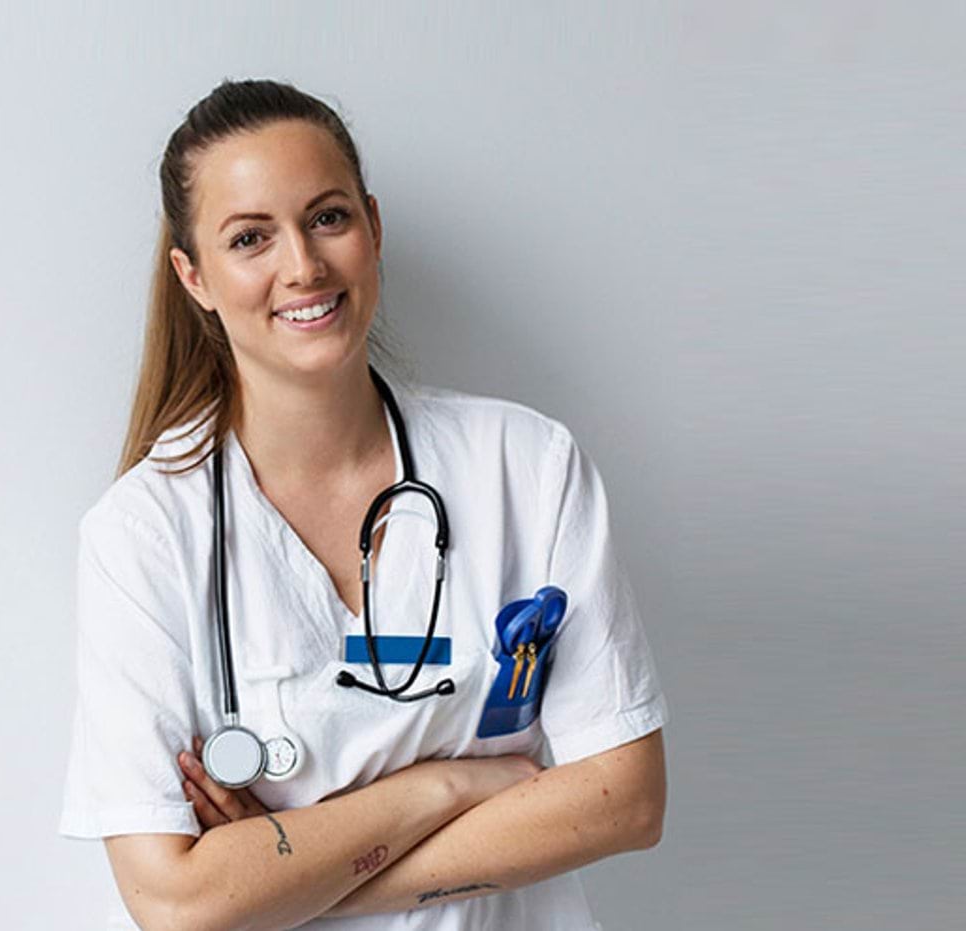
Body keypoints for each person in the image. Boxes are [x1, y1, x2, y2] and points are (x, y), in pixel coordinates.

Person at [58, 78, 669, 931]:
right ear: (194, 277)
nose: (303, 266)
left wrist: (278, 878)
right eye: (250, 238)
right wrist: (447, 784)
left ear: (373, 228)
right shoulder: (144, 535)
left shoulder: (525, 465)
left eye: (328, 217)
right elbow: (174, 900)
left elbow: (625, 799)